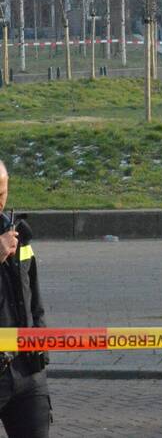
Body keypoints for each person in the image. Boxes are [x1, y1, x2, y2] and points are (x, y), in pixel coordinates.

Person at [0, 160, 51, 438]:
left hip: (26, 369)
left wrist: (40, 346)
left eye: (2, 193)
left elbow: (34, 299)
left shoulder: (16, 233)